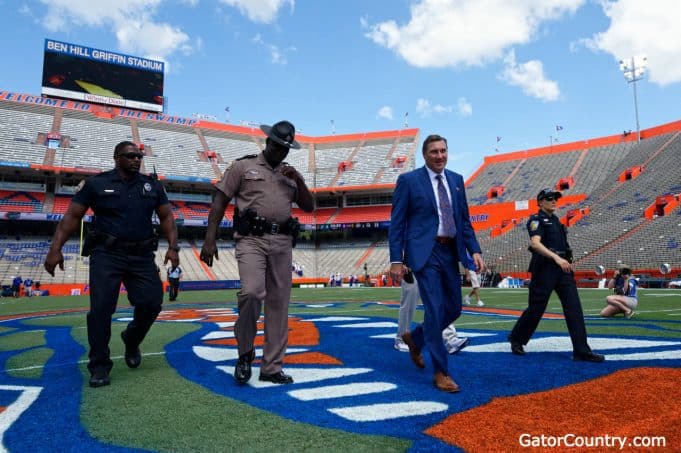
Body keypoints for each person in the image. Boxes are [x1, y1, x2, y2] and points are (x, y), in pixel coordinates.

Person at [44, 141, 180, 388]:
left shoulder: (152, 185)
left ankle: (131, 338)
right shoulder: (96, 184)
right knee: (101, 310)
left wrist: (173, 247)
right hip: (107, 254)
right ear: (117, 157)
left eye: (139, 156)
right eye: (130, 156)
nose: (136, 160)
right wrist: (55, 249)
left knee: (151, 304)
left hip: (141, 255)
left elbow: (166, 216)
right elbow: (72, 216)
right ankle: (99, 366)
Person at [200, 120, 313, 385]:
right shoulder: (243, 166)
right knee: (251, 293)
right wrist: (210, 238)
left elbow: (308, 207)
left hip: (283, 242)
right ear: (268, 142)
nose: (282, 151)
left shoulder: (290, 175)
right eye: (278, 145)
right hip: (251, 239)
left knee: (278, 305)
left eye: (286, 148)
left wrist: (299, 180)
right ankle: (244, 353)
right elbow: (219, 202)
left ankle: (271, 367)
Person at [389, 134, 485, 393]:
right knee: (435, 308)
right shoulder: (409, 181)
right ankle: (441, 372)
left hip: (450, 251)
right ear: (425, 154)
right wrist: (396, 259)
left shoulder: (456, 180)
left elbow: (464, 220)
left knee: (453, 309)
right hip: (424, 253)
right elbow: (397, 222)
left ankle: (416, 338)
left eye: (443, 150)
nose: (440, 155)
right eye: (434, 151)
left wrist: (473, 250)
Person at [508, 188, 604, 362]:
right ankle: (517, 339)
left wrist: (563, 259)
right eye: (550, 198)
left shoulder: (557, 222)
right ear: (540, 202)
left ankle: (581, 350)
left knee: (574, 308)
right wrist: (556, 258)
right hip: (544, 268)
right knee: (536, 308)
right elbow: (535, 244)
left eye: (556, 198)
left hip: (562, 269)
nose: (554, 201)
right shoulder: (536, 220)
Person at [394, 268, 469, 354]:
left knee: (437, 301)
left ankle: (450, 339)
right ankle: (402, 339)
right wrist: (399, 261)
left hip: (431, 262)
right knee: (409, 301)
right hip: (412, 263)